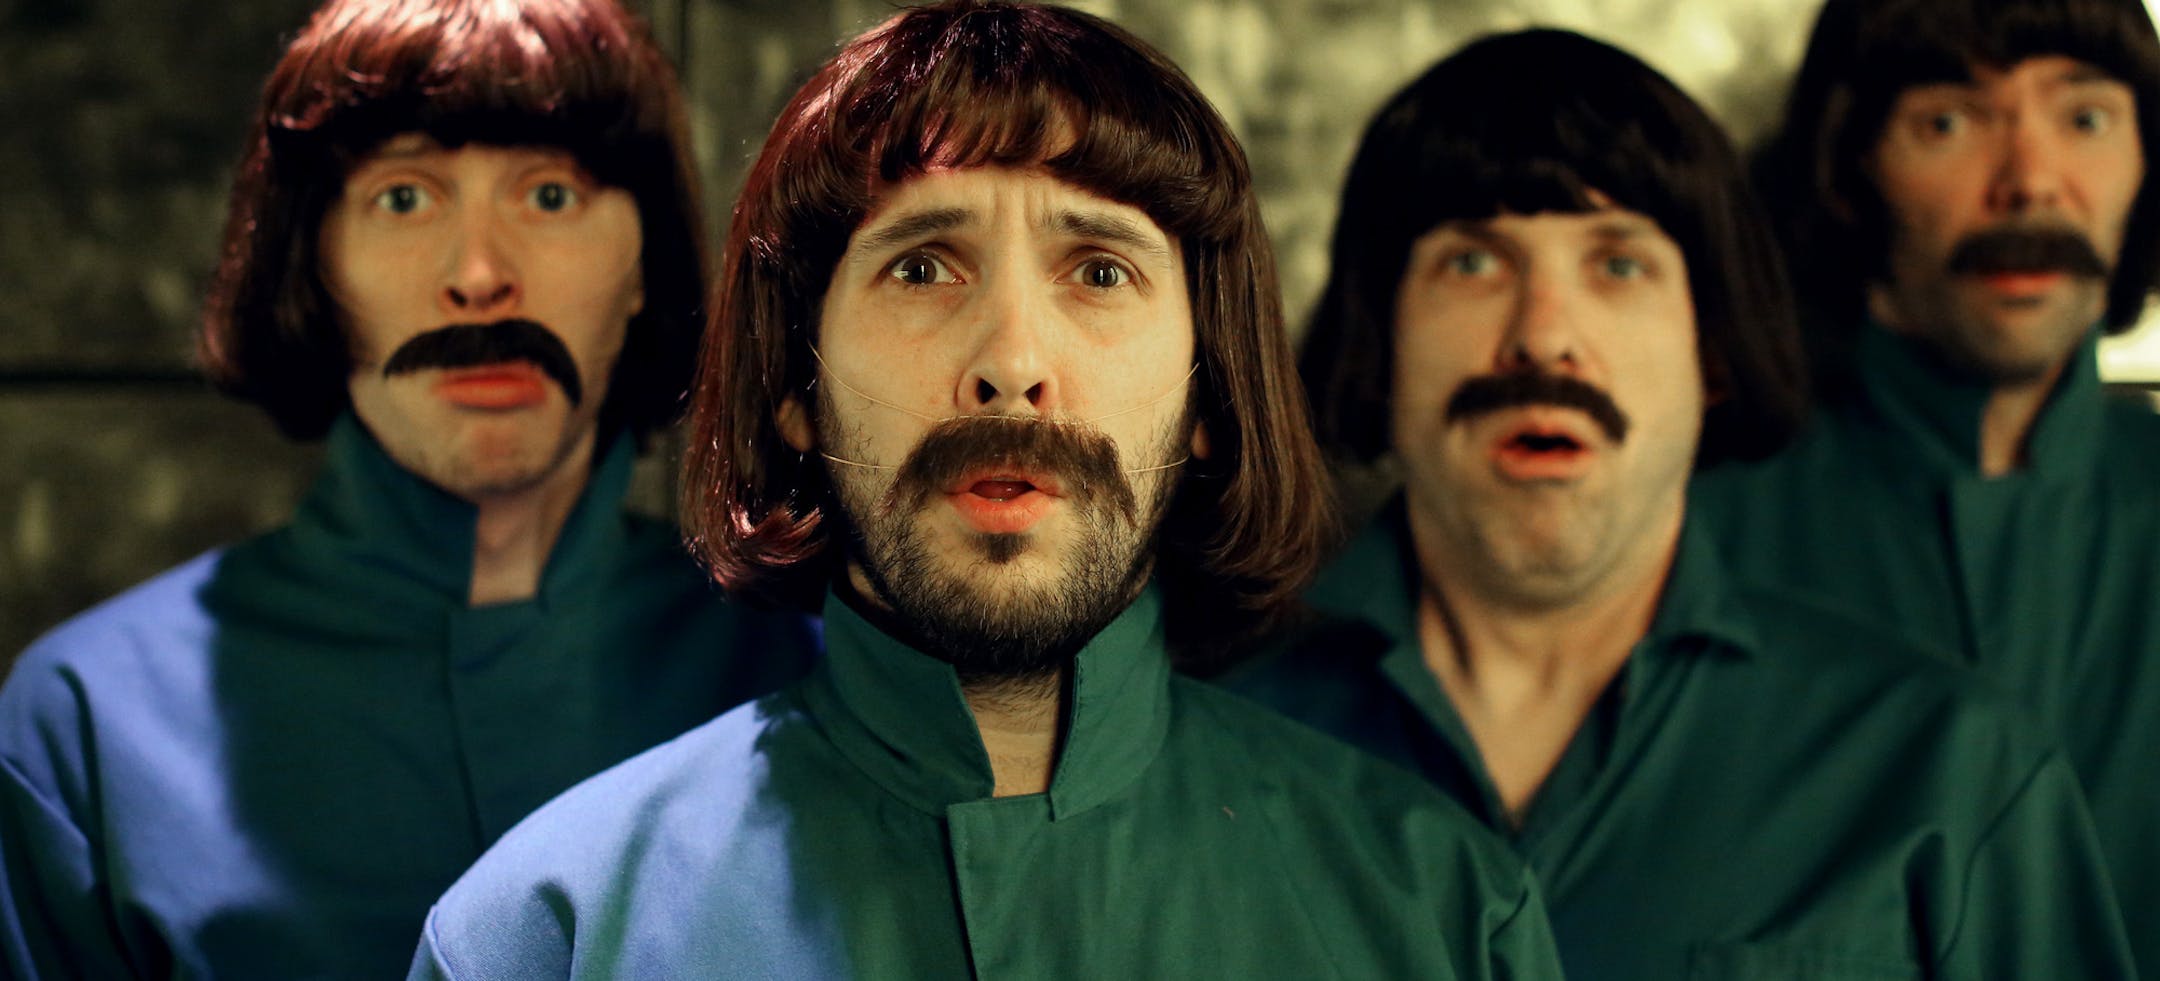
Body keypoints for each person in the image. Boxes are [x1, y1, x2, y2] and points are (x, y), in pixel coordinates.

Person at [407, 4, 1566, 978]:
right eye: (922, 267)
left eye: (1098, 270)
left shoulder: (1447, 919)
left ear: (1209, 395)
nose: (1012, 362)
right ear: (797, 387)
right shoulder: (542, 940)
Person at [1222, 28, 2135, 978]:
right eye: (1474, 263)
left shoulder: (1950, 767)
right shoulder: (1209, 740)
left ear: (1714, 357)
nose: (1544, 337)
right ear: (1381, 344)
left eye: (1618, 265)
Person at [0, 1, 814, 976]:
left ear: (643, 267)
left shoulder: (799, 667)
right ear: (314, 265)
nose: (479, 276)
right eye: (403, 197)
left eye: (550, 194)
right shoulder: (87, 728)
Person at [1692, 0, 2160, 966]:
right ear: (1847, 169)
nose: (2030, 183)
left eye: (2085, 118)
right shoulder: (1695, 528)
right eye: (1948, 122)